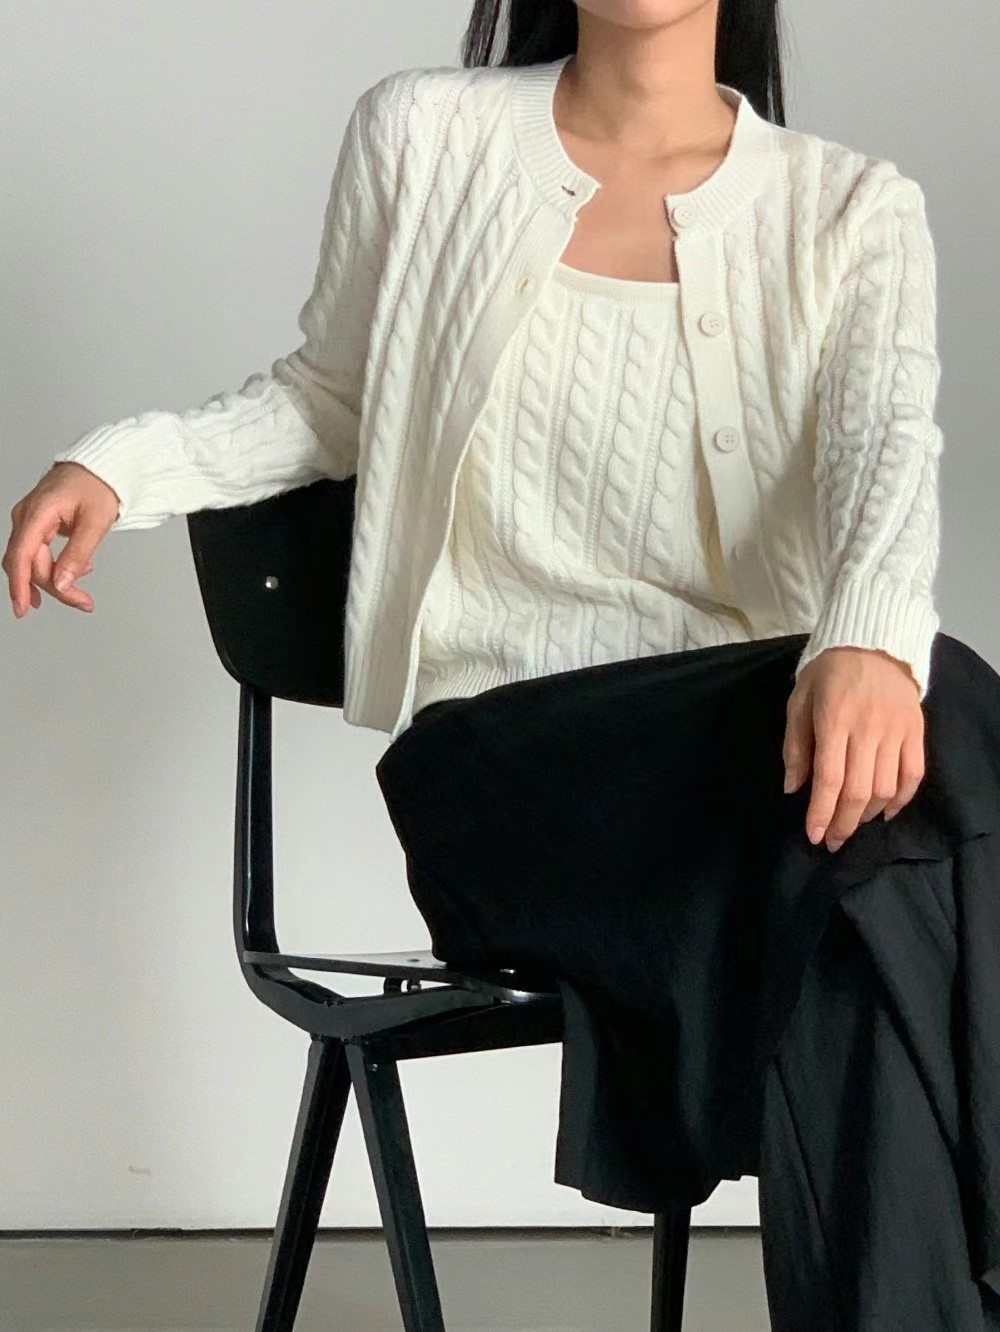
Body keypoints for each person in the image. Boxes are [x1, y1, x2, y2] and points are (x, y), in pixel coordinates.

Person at [6, 2, 1000, 1326]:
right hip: (507, 773)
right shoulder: (427, 134)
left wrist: (863, 638)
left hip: (748, 805)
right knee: (944, 706)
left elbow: (887, 450)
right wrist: (120, 467)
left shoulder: (850, 208)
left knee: (861, 919)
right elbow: (331, 398)